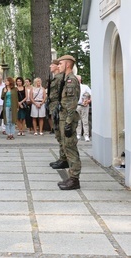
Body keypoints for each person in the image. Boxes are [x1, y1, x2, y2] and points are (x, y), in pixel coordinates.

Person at [56, 55, 82, 190]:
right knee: (66, 147)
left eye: (60, 64)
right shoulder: (65, 79)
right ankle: (71, 177)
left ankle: (74, 179)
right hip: (64, 117)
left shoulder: (71, 80)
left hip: (68, 119)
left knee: (71, 148)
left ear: (67, 65)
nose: (58, 66)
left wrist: (68, 123)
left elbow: (72, 104)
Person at [48, 60, 68, 169]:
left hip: (58, 107)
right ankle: (62, 158)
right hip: (54, 107)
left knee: (60, 134)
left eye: (53, 64)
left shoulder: (60, 77)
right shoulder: (56, 77)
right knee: (58, 133)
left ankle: (64, 159)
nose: (50, 66)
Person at [76, 75, 92, 142]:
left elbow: (91, 94)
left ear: (80, 80)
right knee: (77, 121)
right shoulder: (74, 87)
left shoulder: (85, 87)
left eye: (78, 79)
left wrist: (89, 101)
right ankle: (78, 134)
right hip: (77, 105)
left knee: (85, 121)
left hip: (84, 105)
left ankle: (86, 135)